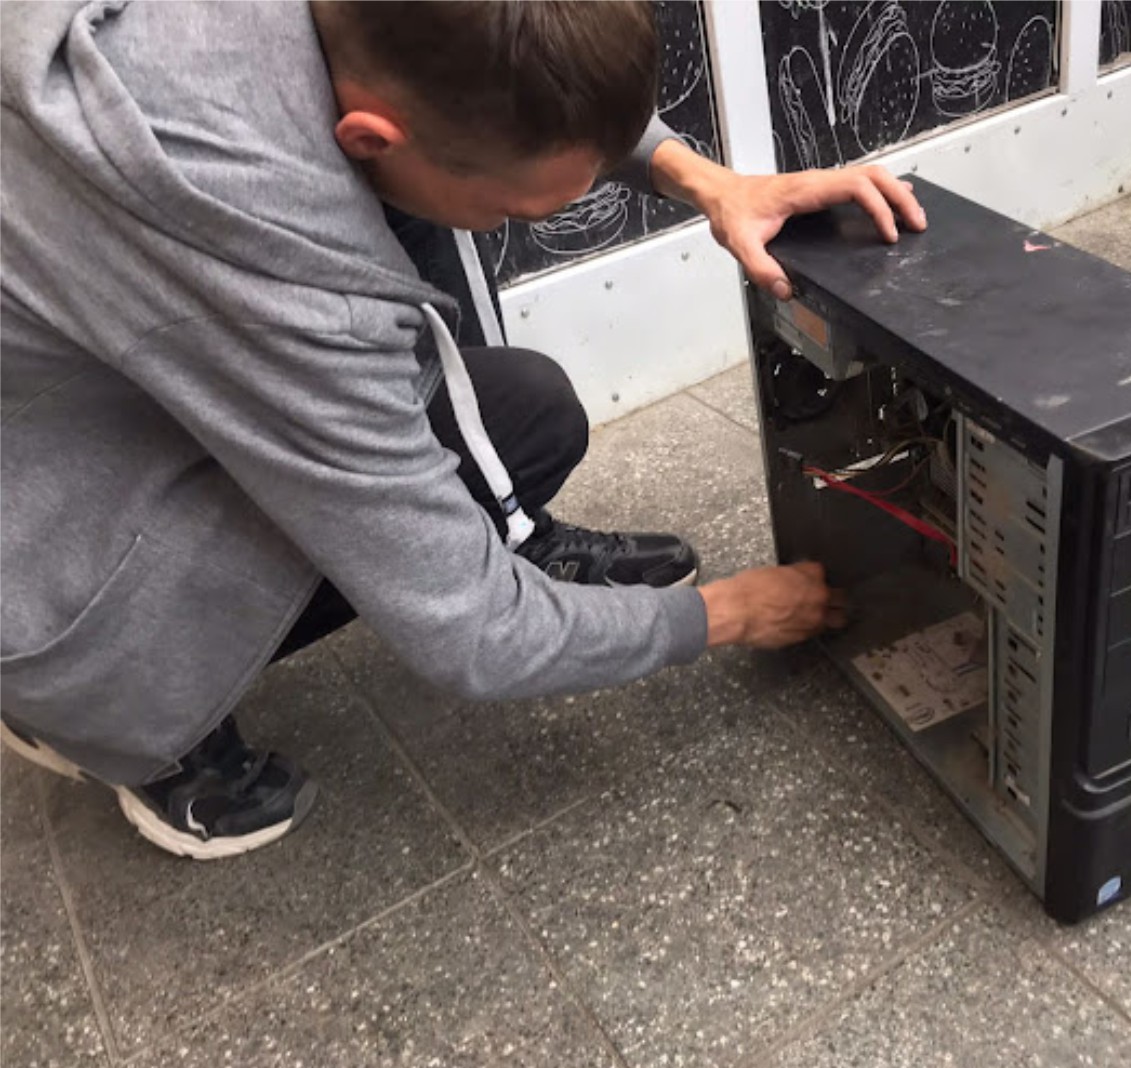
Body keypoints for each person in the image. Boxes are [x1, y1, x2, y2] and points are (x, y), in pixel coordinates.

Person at [0, 1, 926, 859]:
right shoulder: (271, 269)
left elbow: (512, 71)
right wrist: (725, 614)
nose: (537, 215)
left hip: (93, 369)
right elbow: (472, 631)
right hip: (37, 544)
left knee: (523, 417)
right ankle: (108, 706)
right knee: (399, 530)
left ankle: (503, 533)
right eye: (520, 212)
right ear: (369, 135)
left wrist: (708, 180)